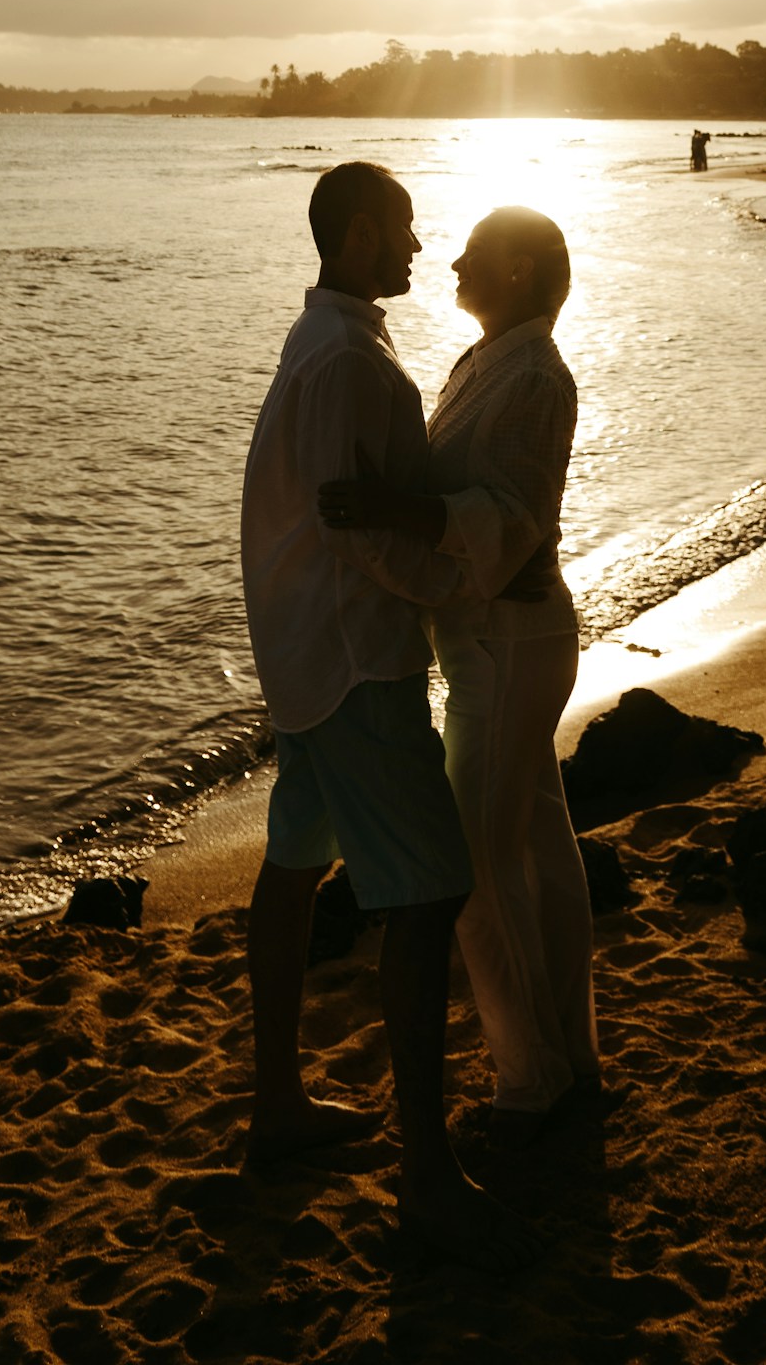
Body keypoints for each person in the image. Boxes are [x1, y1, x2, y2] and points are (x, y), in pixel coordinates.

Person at [239, 158, 510, 1264]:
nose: (415, 246)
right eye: (400, 228)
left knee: (297, 865)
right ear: (357, 234)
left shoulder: (330, 340)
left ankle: (276, 1110)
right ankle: (428, 1177)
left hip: (307, 650)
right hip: (354, 661)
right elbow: (365, 531)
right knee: (431, 893)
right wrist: (465, 581)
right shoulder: (347, 357)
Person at [322, 207, 596, 1143]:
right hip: (499, 638)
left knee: (473, 862)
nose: (451, 264)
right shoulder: (494, 361)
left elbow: (508, 514)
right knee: (541, 850)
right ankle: (570, 1056)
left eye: (474, 255)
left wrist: (392, 507)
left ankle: (532, 1081)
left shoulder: (531, 378)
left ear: (519, 271)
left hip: (508, 640)